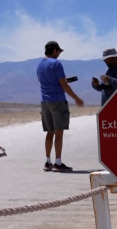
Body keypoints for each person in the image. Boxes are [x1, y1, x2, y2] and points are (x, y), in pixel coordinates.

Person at [36, 41, 84, 172]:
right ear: (55, 50)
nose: (59, 54)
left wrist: (61, 81)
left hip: (44, 102)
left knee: (49, 132)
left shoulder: (39, 64)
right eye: (59, 51)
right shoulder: (56, 63)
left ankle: (48, 161)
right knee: (59, 132)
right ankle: (58, 162)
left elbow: (47, 81)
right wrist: (76, 98)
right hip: (57, 101)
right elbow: (63, 84)